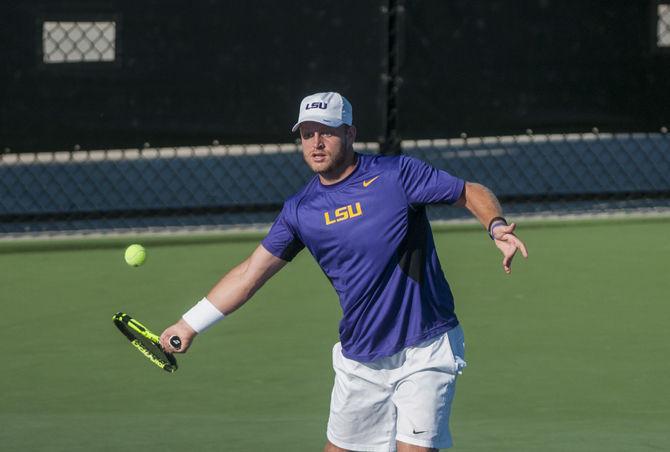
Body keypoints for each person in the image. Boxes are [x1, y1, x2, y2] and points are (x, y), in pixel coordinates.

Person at [160, 92, 528, 451]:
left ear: (350, 133)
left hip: (426, 346)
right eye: (307, 134)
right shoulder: (301, 210)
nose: (316, 143)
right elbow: (250, 274)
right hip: (361, 358)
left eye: (327, 131)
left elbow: (469, 191)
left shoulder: (396, 175)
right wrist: (189, 324)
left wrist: (496, 226)